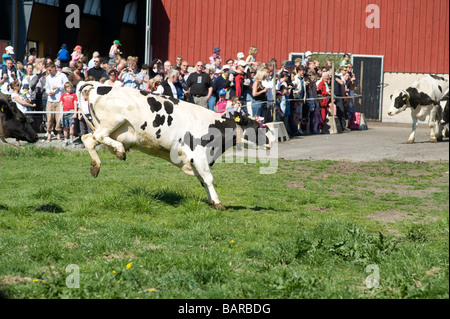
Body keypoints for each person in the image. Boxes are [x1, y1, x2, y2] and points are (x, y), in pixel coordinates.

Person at [45, 62, 68, 142]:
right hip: (50, 100)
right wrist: (49, 92)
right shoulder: (48, 77)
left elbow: (67, 85)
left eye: (50, 70)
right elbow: (47, 88)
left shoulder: (62, 76)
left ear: (54, 68)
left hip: (59, 100)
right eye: (48, 70)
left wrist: (58, 87)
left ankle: (58, 134)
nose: (49, 72)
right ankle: (49, 135)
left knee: (58, 118)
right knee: (49, 118)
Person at [59, 82, 78, 146]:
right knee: (65, 127)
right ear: (65, 88)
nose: (69, 89)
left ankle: (71, 140)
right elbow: (61, 104)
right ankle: (66, 140)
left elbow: (75, 104)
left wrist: (75, 113)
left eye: (70, 88)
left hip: (71, 112)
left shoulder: (74, 95)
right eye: (68, 88)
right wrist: (60, 113)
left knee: (72, 126)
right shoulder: (63, 95)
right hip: (64, 113)